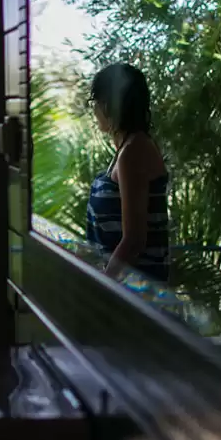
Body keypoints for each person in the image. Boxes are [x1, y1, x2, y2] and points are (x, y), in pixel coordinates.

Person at [85, 63, 171, 283]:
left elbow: (134, 241)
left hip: (135, 294)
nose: (94, 110)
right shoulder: (127, 149)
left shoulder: (133, 152)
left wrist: (104, 284)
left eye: (95, 102)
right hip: (127, 291)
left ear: (108, 104)